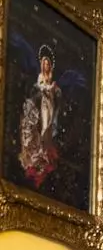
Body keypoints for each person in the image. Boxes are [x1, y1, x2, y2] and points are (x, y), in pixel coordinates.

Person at [18, 45, 62, 187]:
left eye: (48, 64)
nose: (46, 66)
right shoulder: (41, 76)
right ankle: (40, 149)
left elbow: (53, 92)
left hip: (49, 104)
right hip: (43, 103)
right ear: (42, 65)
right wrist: (48, 88)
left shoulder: (50, 77)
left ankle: (45, 148)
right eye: (44, 64)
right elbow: (39, 87)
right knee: (42, 125)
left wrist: (53, 90)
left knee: (48, 125)